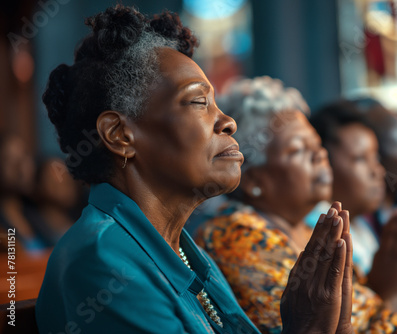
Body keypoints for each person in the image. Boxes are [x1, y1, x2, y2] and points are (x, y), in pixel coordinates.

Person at [36, 6, 353, 334]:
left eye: (216, 103)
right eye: (199, 103)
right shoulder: (101, 265)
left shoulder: (184, 250)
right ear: (120, 136)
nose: (228, 122)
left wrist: (333, 323)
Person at [196, 77, 397, 334]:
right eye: (298, 150)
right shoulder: (236, 237)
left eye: (317, 145)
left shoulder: (311, 228)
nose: (320, 155)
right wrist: (396, 293)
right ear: (253, 179)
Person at [310, 101, 397, 330]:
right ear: (324, 164)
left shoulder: (362, 225)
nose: (378, 171)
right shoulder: (321, 231)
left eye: (376, 158)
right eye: (361, 159)